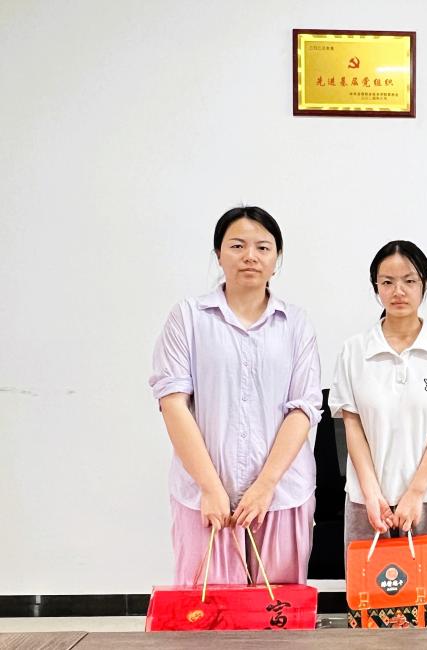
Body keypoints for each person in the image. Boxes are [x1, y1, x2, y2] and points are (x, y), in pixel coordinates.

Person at [150, 206, 322, 585]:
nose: (250, 256)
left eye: (263, 247)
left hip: (282, 493)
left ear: (276, 258)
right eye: (237, 245)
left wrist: (264, 486)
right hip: (205, 496)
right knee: (208, 610)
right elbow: (172, 403)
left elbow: (304, 408)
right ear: (218, 255)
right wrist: (211, 488)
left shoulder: (295, 324)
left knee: (279, 610)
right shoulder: (188, 318)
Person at [331, 240, 427, 626]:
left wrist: (415, 493)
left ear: (424, 284)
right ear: (375, 286)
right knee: (368, 604)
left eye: (409, 280)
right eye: (387, 282)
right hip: (366, 501)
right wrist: (372, 493)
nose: (398, 291)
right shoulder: (354, 351)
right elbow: (351, 425)